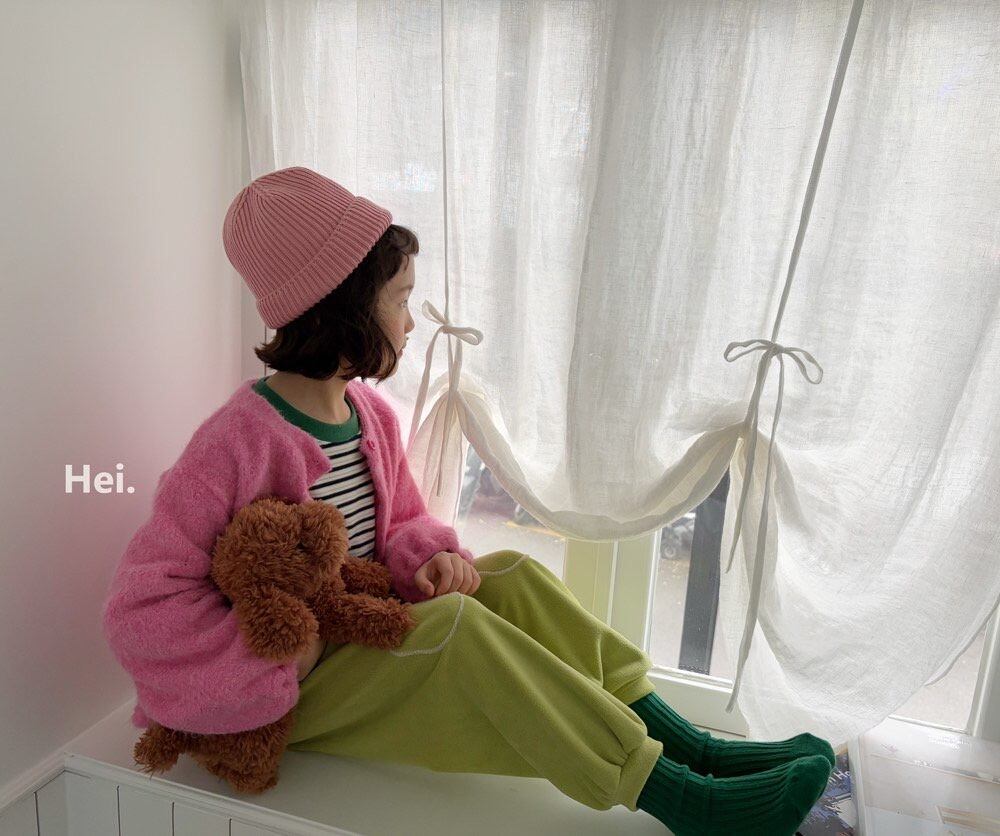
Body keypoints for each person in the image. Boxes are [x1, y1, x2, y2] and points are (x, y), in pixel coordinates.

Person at [101, 166, 835, 835]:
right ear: (339, 308)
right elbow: (140, 609)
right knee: (455, 628)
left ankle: (690, 746)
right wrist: (282, 655)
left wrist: (427, 559)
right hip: (291, 694)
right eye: (400, 300)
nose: (411, 322)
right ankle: (682, 798)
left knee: (509, 572)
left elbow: (404, 522)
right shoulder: (234, 442)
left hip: (362, 632)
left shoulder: (369, 416)